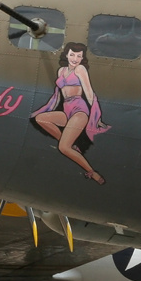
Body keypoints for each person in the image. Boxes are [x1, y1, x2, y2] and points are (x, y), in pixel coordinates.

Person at [30, 41, 111, 185]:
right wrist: (49, 108)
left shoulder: (80, 69)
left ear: (82, 58)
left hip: (79, 110)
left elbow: (89, 92)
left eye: (79, 56)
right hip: (66, 110)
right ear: (66, 55)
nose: (75, 58)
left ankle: (93, 173)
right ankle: (70, 145)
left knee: (63, 147)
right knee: (41, 119)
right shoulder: (61, 71)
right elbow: (57, 96)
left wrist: (95, 114)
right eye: (72, 54)